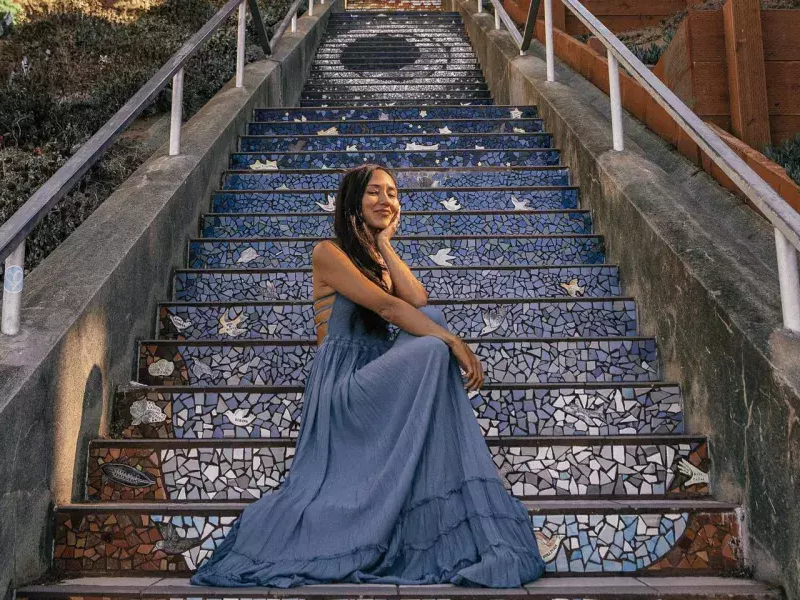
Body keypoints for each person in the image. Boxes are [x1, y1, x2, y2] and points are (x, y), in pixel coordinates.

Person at [190, 163, 546, 588]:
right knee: (434, 342)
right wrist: (454, 341)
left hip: (375, 372)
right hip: (343, 387)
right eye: (374, 192)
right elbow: (390, 309)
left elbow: (416, 299)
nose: (386, 200)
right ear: (353, 201)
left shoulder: (376, 258)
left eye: (393, 193)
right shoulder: (328, 252)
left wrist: (385, 245)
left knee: (430, 318)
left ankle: (417, 481)